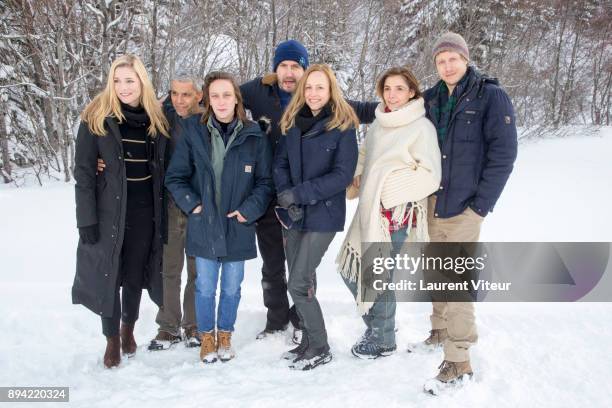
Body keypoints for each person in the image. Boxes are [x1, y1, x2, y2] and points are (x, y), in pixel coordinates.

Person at [240, 40, 377, 342]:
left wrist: (402, 104)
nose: (289, 72)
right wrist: (171, 104)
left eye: (295, 67)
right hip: (271, 191)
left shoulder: (324, 100)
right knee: (273, 262)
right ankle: (276, 319)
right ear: (274, 69)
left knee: (302, 266)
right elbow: (219, 94)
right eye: (283, 66)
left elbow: (364, 110)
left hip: (309, 198)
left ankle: (303, 320)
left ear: (305, 71)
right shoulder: (257, 92)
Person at [415, 33, 517, 394]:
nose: (447, 65)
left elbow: (503, 156)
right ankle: (439, 329)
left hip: (464, 209)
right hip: (432, 206)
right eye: (440, 60)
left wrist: (480, 207)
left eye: (452, 59)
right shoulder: (429, 99)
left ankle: (458, 360)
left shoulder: (490, 96)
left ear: (465, 58)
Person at [165, 71, 273, 364]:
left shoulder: (253, 135)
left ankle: (225, 333)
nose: (221, 101)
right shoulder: (193, 130)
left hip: (238, 225)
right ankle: (206, 337)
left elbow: (265, 183)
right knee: (204, 286)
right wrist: (193, 205)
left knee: (231, 287)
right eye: (215, 95)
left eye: (227, 95)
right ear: (207, 99)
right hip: (205, 223)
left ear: (236, 98)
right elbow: (175, 177)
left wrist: (249, 210)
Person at [336, 66, 441, 359]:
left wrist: (387, 191)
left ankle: (382, 338)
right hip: (370, 209)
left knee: (377, 272)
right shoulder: (379, 124)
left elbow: (430, 174)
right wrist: (355, 177)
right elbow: (366, 156)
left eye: (399, 89)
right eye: (387, 89)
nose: (392, 95)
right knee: (352, 271)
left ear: (412, 92)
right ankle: (380, 327)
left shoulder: (421, 127)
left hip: (396, 215)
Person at [73, 54, 169, 369]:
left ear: (142, 82)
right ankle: (112, 339)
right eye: (117, 80)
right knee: (108, 274)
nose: (123, 87)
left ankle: (129, 329)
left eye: (130, 80)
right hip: (108, 212)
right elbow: (84, 174)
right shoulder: (97, 118)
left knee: (134, 273)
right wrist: (85, 219)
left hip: (144, 211)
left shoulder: (155, 119)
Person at [274, 64, 359, 370]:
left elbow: (342, 176)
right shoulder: (292, 122)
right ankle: (309, 342)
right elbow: (280, 164)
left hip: (323, 215)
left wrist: (300, 193)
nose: (313, 93)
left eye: (320, 88)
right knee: (302, 279)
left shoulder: (343, 125)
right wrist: (286, 194)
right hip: (294, 214)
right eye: (308, 87)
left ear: (330, 90)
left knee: (297, 283)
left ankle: (321, 345)